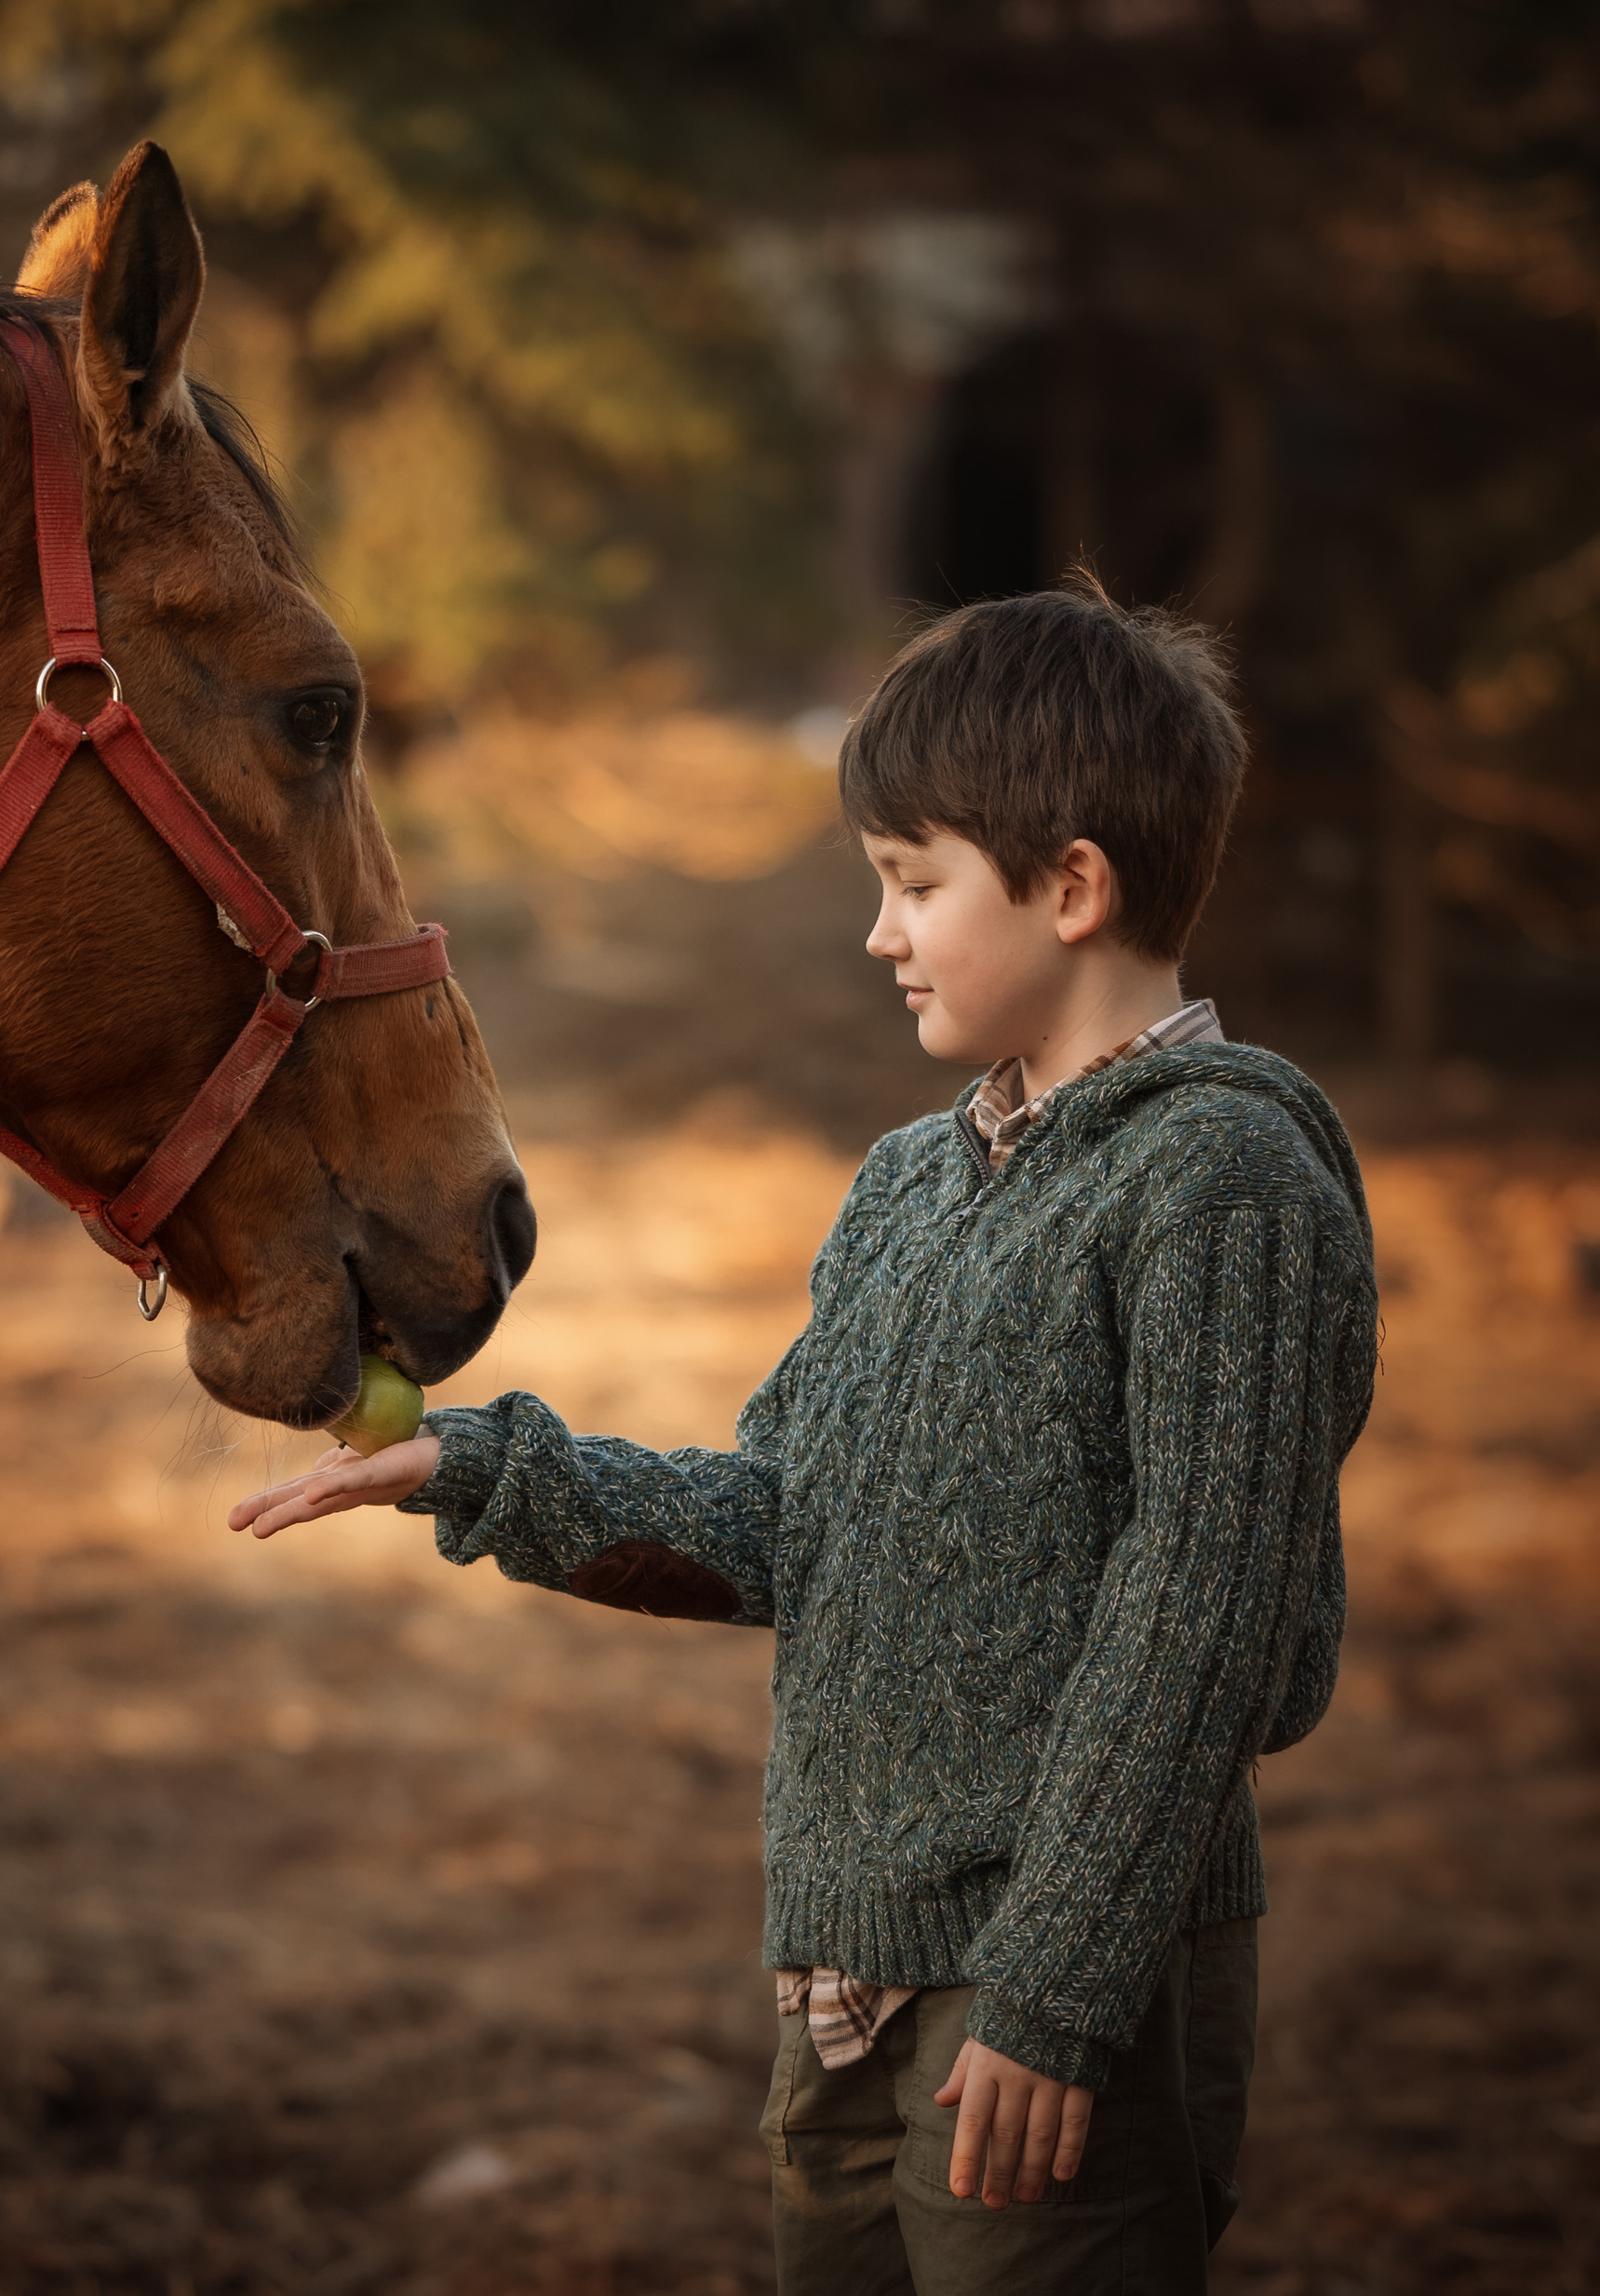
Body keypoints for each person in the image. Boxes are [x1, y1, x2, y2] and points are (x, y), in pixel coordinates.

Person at [228, 577, 1378, 2294]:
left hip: (1062, 1986)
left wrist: (1059, 1996)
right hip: (840, 1987)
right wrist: (484, 1468)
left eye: (915, 885)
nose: (880, 932)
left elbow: (1203, 1622)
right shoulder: (908, 1188)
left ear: (1073, 886)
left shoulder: (1222, 1180)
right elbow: (786, 1517)